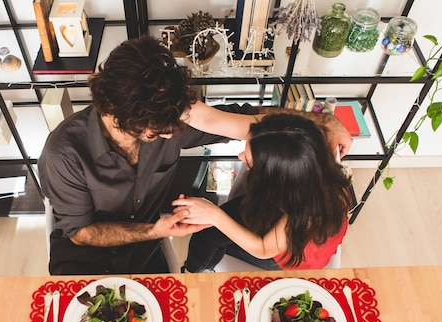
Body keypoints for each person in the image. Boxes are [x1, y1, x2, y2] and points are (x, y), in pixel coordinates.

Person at [38, 36, 352, 275]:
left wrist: (321, 121)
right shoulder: (64, 153)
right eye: (160, 130)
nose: (172, 133)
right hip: (81, 269)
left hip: (146, 258)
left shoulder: (169, 120)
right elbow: (80, 233)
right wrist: (154, 230)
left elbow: (251, 121)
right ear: (120, 114)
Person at [172, 113, 353, 272]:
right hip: (287, 226)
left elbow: (264, 248)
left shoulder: (305, 215)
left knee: (207, 235)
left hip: (286, 256)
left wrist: (214, 215)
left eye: (249, 161)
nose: (240, 156)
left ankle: (191, 274)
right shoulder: (317, 169)